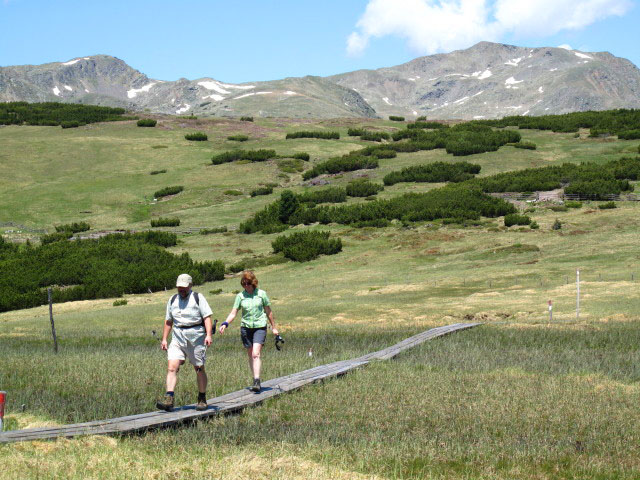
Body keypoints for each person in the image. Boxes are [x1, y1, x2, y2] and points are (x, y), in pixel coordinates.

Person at [156, 273, 213, 412]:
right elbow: (169, 321)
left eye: (184, 287)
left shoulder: (198, 298)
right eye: (179, 287)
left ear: (190, 286)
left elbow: (207, 318)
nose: (181, 290)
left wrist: (209, 335)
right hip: (178, 336)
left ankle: (202, 398)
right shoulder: (173, 299)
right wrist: (164, 339)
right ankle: (169, 399)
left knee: (199, 368)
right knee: (172, 367)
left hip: (196, 337)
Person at [219, 271, 278, 392]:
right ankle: (254, 378)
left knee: (256, 353)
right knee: (250, 353)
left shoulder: (262, 294)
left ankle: (257, 380)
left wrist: (274, 327)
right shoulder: (240, 296)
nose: (246, 286)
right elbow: (233, 312)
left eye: (248, 283)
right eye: (244, 283)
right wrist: (225, 323)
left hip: (260, 327)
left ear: (253, 283)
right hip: (246, 328)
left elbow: (268, 311)